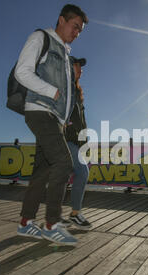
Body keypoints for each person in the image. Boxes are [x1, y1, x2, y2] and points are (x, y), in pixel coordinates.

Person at [15, 4, 88, 245]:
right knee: (64, 162)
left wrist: (65, 119)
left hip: (55, 120)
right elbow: (21, 72)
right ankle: (51, 225)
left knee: (42, 172)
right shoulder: (41, 37)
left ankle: (26, 223)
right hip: (40, 111)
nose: (77, 32)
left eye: (80, 30)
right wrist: (51, 91)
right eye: (75, 26)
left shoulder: (66, 54)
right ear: (61, 20)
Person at [65, 57, 92, 229]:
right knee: (82, 172)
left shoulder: (77, 90)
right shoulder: (66, 87)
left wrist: (85, 138)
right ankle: (74, 214)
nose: (80, 71)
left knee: (61, 176)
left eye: (81, 68)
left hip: (77, 140)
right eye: (77, 67)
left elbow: (81, 118)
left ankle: (51, 218)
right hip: (67, 139)